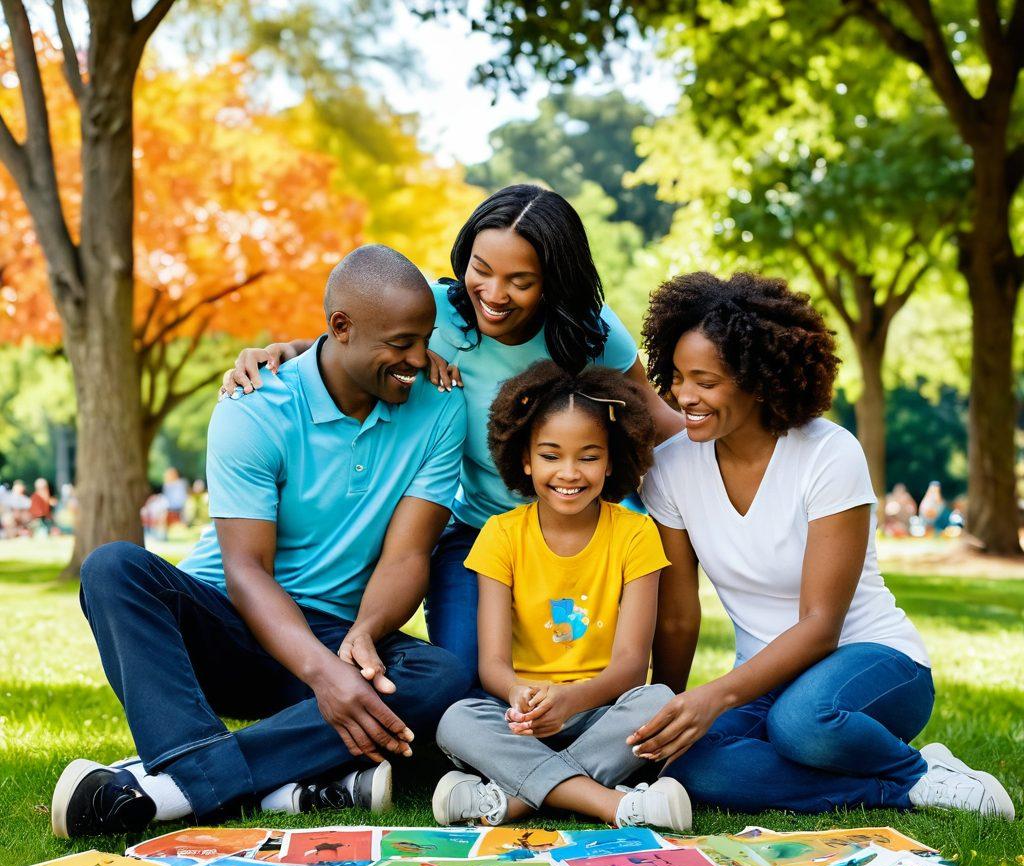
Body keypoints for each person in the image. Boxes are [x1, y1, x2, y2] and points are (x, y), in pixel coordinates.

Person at [50, 245, 472, 838]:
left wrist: (362, 636)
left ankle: (172, 786)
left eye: (424, 340)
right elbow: (246, 571)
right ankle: (278, 782)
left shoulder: (439, 408)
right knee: (112, 567)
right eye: (400, 343)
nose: (417, 359)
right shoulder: (255, 405)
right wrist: (325, 677)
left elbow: (407, 555)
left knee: (442, 676)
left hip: (336, 633)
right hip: (226, 623)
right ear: (340, 328)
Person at [221, 184, 685, 681]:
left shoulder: (589, 331)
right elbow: (353, 341)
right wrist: (282, 352)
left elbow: (653, 417)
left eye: (519, 281)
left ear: (553, 282)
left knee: (591, 677)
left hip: (580, 528)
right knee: (462, 684)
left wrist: (742, 430)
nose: (493, 294)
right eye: (481, 270)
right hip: (478, 531)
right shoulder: (438, 310)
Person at [631, 271, 1014, 819]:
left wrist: (715, 695)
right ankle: (893, 790)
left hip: (871, 664)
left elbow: (819, 626)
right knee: (690, 765)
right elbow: (676, 617)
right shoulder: (669, 471)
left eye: (705, 381)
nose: (683, 396)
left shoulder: (828, 454)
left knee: (802, 724)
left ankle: (919, 771)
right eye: (676, 377)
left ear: (758, 380)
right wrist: (665, 717)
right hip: (765, 682)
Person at [431, 362, 690, 833]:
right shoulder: (500, 535)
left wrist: (571, 701)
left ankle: (509, 801)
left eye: (588, 457)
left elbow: (631, 666)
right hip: (522, 720)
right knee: (457, 718)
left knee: (657, 700)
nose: (568, 473)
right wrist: (518, 695)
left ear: (611, 461)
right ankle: (614, 806)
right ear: (525, 459)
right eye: (551, 456)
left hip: (602, 714)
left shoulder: (635, 534)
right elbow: (492, 664)